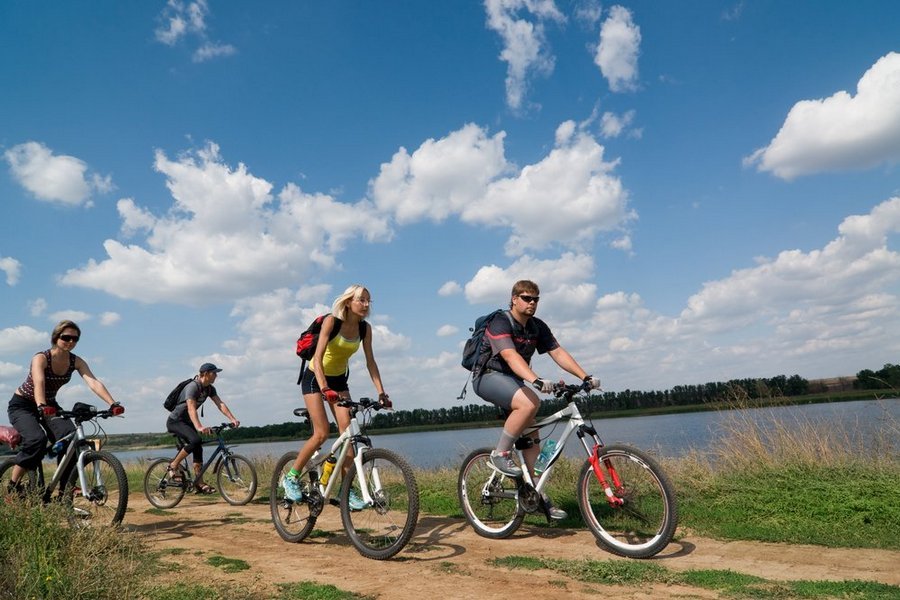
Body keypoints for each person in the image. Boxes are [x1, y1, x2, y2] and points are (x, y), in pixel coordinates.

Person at [472, 280, 601, 520]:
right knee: (530, 403)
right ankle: (499, 455)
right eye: (526, 298)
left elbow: (558, 352)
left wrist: (585, 376)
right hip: (489, 377)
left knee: (532, 437)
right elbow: (510, 356)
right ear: (514, 299)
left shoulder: (537, 327)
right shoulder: (500, 321)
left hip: (515, 382)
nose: (532, 303)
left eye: (536, 299)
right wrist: (536, 380)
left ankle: (537, 496)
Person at [282, 284, 390, 509]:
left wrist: (381, 392)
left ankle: (345, 491)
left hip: (339, 380)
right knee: (321, 433)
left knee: (349, 433)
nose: (366, 305)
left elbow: (371, 362)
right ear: (349, 301)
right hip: (314, 377)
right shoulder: (332, 321)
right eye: (361, 300)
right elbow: (319, 358)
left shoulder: (364, 329)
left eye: (369, 301)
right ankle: (291, 477)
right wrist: (324, 388)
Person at [6, 320, 124, 495]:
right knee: (36, 439)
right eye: (66, 337)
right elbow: (39, 382)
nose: (70, 341)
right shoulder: (41, 358)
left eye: (75, 339)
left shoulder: (76, 361)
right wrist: (41, 405)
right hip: (23, 404)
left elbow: (93, 382)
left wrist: (112, 403)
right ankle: (13, 486)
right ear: (56, 337)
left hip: (49, 405)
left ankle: (65, 489)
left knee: (69, 437)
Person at [165, 362, 239, 494]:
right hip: (175, 421)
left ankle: (199, 483)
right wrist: (199, 426)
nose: (216, 375)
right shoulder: (193, 387)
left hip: (187, 422)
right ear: (205, 374)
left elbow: (219, 403)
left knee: (198, 446)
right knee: (195, 441)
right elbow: (191, 407)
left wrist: (232, 419)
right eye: (214, 373)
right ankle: (173, 465)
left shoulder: (209, 388)